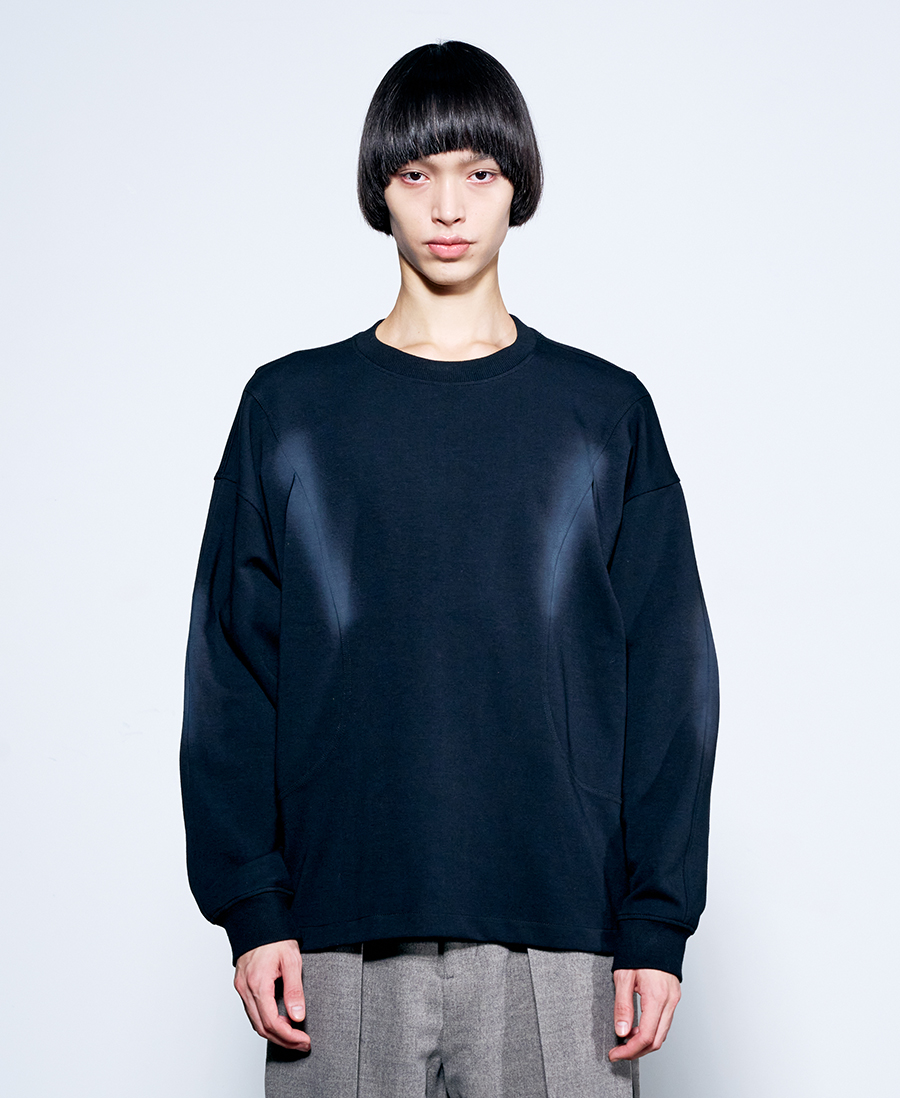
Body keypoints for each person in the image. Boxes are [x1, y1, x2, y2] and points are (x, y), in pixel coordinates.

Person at [180, 40, 718, 1098]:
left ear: (519, 186)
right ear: (379, 189)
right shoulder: (290, 412)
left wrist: (656, 922)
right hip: (334, 933)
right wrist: (252, 906)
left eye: (479, 171)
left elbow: (668, 678)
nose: (448, 206)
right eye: (416, 172)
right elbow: (232, 672)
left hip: (562, 932)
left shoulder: (602, 415)